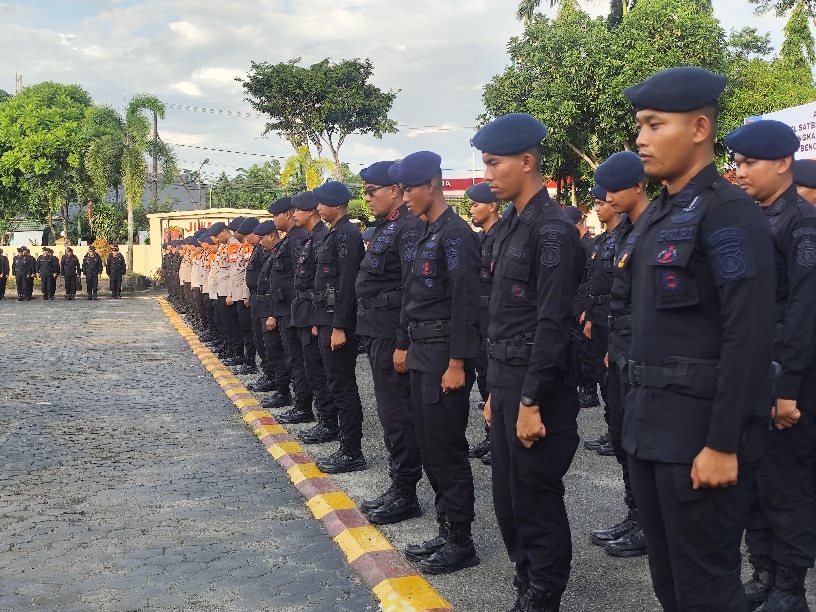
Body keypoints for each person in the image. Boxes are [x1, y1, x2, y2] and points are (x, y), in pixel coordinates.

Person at [622, 66, 775, 612]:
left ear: (699, 128)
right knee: (670, 583)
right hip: (651, 430)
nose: (640, 138)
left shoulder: (729, 214)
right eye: (639, 124)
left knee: (708, 589)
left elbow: (750, 336)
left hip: (700, 438)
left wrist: (723, 443)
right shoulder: (660, 212)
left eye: (654, 124)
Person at [472, 114, 584, 610]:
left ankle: (544, 593)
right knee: (508, 497)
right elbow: (504, 318)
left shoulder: (553, 229)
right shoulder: (513, 225)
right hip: (506, 376)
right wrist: (498, 392)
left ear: (527, 161)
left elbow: (553, 322)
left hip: (537, 383)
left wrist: (531, 399)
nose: (489, 174)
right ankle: (526, 580)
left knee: (536, 495)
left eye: (495, 164)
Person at [725, 119, 816, 612]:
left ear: (783, 163)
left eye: (748, 163)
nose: (739, 172)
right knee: (755, 483)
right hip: (756, 374)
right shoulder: (757, 218)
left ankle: (790, 588)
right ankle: (762, 572)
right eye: (736, 163)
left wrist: (790, 387)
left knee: (787, 486)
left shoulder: (801, 223)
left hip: (788, 377)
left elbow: (804, 308)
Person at [391, 151, 481, 575]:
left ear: (432, 185)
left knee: (447, 449)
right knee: (429, 447)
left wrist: (459, 362)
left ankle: (461, 540)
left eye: (409, 189)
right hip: (424, 352)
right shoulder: (429, 233)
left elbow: (466, 303)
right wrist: (406, 344)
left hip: (446, 355)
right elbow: (415, 297)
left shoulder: (456, 235)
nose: (404, 197)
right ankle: (446, 530)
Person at [354, 160, 424, 523]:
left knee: (398, 415)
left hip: (392, 333)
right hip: (376, 331)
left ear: (393, 190)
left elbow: (412, 290)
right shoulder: (385, 228)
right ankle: (399, 485)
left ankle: (406, 492)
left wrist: (402, 341)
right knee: (389, 413)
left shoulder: (407, 229)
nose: (366, 198)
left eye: (371, 191)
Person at [587, 152, 649, 560]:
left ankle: (647, 522)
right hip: (621, 349)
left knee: (642, 442)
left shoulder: (652, 227)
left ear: (639, 185)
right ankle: (634, 514)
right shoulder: (625, 231)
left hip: (645, 355)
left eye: (613, 189)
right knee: (625, 437)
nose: (605, 197)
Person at [310, 180, 367, 475]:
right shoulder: (336, 233)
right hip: (328, 319)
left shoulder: (347, 234)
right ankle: (345, 444)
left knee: (343, 386)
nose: (317, 208)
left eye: (321, 202)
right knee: (336, 382)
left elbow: (348, 285)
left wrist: (340, 326)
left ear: (334, 204)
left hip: (338, 322)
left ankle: (352, 450)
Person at [291, 191, 340, 445]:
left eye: (298, 210)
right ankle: (325, 419)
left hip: (316, 312)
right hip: (308, 311)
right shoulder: (313, 238)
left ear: (310, 211)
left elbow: (322, 283)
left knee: (319, 372)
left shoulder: (322, 238)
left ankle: (329, 422)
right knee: (312, 368)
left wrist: (315, 320)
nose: (294, 215)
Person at [265, 198, 315, 423]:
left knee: (297, 360)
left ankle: (304, 406)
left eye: (276, 216)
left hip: (293, 311)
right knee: (293, 358)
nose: (274, 221)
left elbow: (301, 277)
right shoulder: (290, 239)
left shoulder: (298, 239)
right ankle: (300, 403)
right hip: (287, 310)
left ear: (286, 214)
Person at [466, 180, 502, 465]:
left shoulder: (502, 237)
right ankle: (491, 436)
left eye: (476, 205)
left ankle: (500, 439)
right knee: (484, 377)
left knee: (495, 379)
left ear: (492, 206)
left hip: (495, 319)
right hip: (480, 318)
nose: (471, 210)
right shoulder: (481, 238)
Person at [581, 186, 616, 455]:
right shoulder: (602, 240)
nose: (597, 208)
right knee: (603, 377)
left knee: (615, 379)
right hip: (599, 317)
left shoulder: (625, 239)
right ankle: (611, 429)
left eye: (601, 203)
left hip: (615, 318)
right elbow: (594, 282)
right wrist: (590, 316)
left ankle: (619, 434)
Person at [564, 206, 600, 413]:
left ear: (578, 222)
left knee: (587, 351)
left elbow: (591, 281)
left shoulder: (590, 245)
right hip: (574, 303)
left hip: (584, 305)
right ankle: (583, 387)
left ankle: (590, 391)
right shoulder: (576, 244)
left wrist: (588, 309)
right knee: (577, 350)